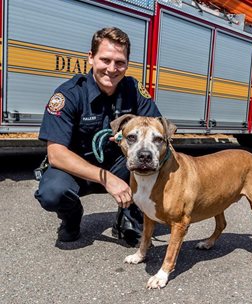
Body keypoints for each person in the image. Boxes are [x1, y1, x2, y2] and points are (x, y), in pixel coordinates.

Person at [34, 27, 161, 245]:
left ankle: (129, 217)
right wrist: (107, 179)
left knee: (153, 161)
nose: (112, 69)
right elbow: (56, 154)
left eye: (120, 62)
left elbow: (159, 129)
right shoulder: (69, 94)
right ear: (91, 58)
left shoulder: (133, 89)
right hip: (76, 170)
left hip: (119, 166)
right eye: (105, 60)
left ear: (127, 63)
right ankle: (71, 218)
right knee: (52, 193)